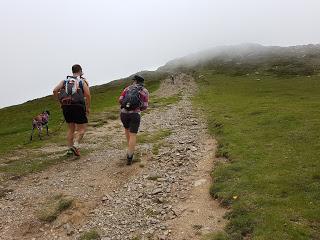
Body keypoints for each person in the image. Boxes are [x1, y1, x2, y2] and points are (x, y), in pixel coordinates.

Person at [53, 64, 91, 156]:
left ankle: (70, 149)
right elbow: (88, 95)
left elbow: (54, 90)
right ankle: (75, 145)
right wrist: (87, 107)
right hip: (78, 106)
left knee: (71, 129)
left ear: (72, 71)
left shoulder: (64, 81)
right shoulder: (81, 81)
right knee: (82, 129)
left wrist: (60, 103)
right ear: (80, 71)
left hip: (66, 106)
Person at [119, 75, 149, 165]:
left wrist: (126, 106)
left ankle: (129, 149)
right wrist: (138, 109)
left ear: (134, 81)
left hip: (123, 113)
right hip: (135, 114)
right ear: (142, 82)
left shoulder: (127, 89)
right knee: (133, 135)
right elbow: (145, 106)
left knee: (126, 130)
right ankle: (130, 156)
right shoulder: (144, 91)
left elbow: (120, 100)